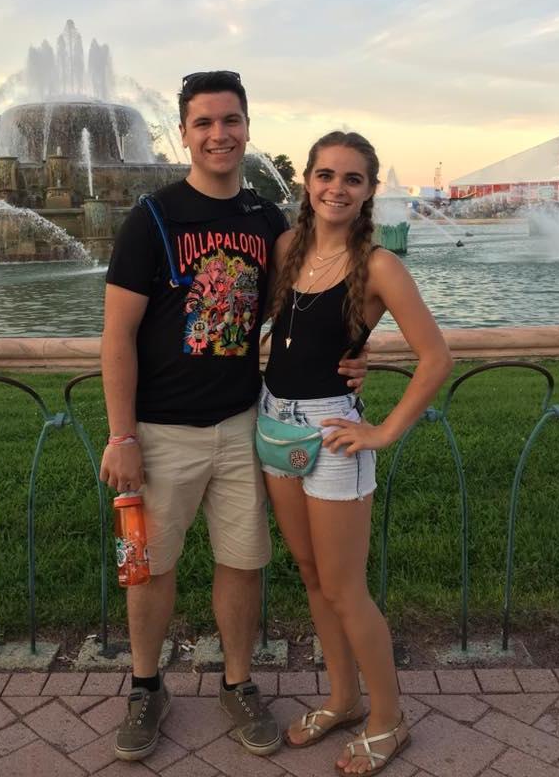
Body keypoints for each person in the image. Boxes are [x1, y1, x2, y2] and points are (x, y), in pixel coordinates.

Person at [99, 72, 367, 761]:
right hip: (161, 429)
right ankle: (146, 686)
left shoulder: (266, 220)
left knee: (243, 562)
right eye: (204, 123)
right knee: (152, 567)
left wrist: (354, 351)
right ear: (184, 133)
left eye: (231, 121)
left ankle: (238, 682)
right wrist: (122, 434)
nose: (219, 134)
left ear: (247, 127)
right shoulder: (153, 218)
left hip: (246, 423)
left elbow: (314, 299)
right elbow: (117, 336)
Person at [260, 131, 454, 774]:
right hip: (274, 424)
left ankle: (388, 719)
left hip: (333, 434)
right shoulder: (287, 248)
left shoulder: (378, 266)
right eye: (325, 175)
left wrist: (383, 431)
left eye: (351, 179)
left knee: (346, 588)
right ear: (307, 181)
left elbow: (436, 358)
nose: (336, 188)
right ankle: (343, 699)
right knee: (312, 574)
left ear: (369, 190)